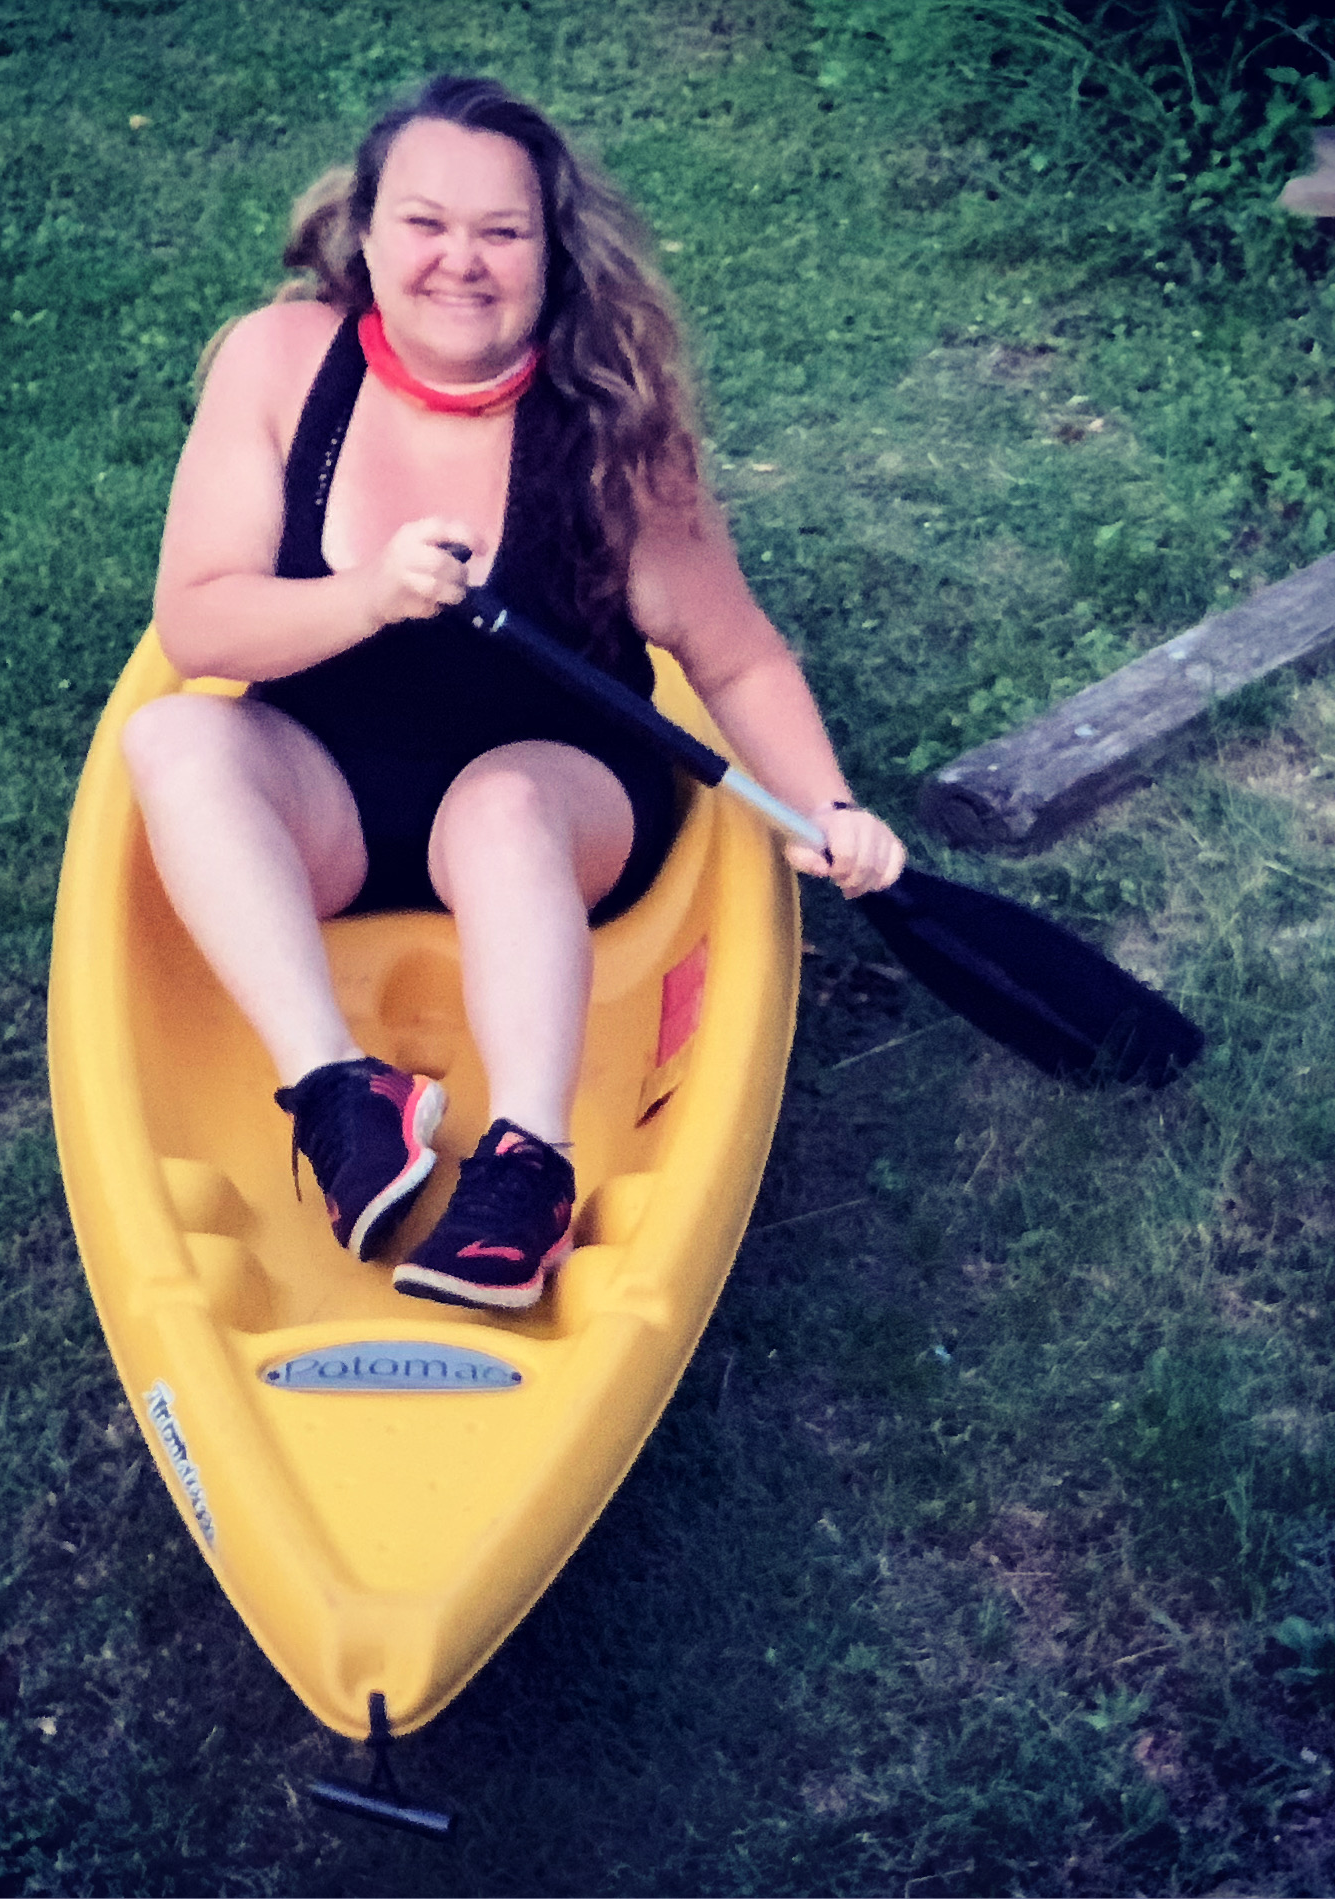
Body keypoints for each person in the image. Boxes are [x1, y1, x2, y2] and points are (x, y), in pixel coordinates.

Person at [124, 75, 905, 1312]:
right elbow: (199, 621)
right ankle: (339, 1091)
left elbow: (736, 656)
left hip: (560, 796)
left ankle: (527, 1168)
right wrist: (369, 596)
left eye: (503, 232)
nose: (460, 262)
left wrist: (830, 808)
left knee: (496, 810)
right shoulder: (279, 364)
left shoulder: (608, 427)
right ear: (366, 232)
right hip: (335, 790)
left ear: (551, 252)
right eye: (426, 224)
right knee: (173, 740)